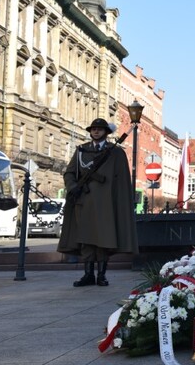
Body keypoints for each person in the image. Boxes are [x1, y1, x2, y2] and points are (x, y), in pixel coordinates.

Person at [58, 118, 139, 287]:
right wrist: (73, 187)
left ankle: (101, 275)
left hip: (106, 204)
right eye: (93, 129)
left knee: (104, 239)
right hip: (85, 201)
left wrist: (118, 202)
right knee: (86, 238)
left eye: (99, 129)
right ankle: (88, 275)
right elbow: (70, 173)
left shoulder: (115, 152)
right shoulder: (81, 150)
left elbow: (122, 181)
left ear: (106, 132)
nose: (96, 131)